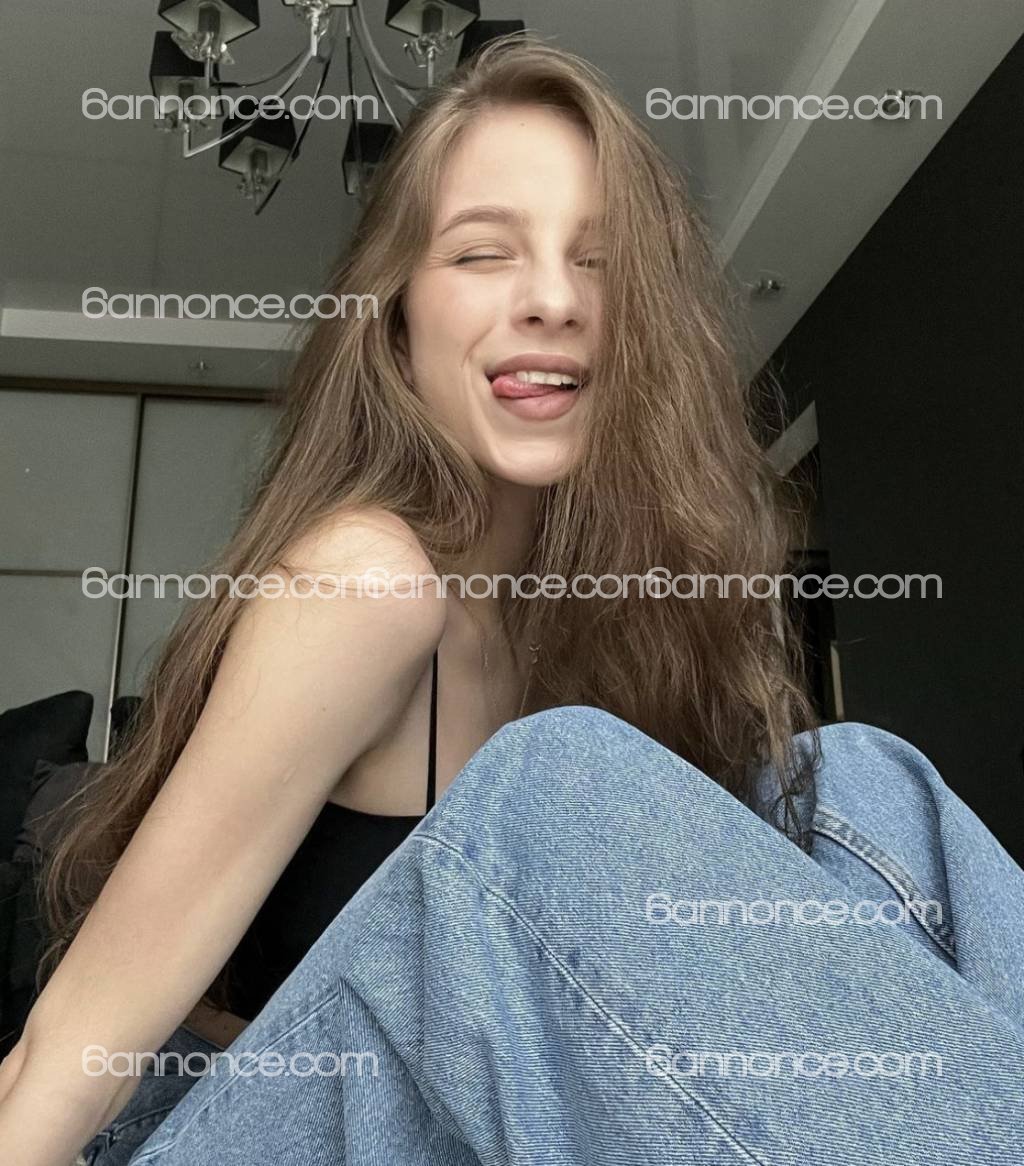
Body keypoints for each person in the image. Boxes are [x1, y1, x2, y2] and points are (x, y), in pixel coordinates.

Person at [1, 35, 1019, 1166]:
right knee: (551, 778)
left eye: (599, 261)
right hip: (212, 1127)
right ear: (396, 320)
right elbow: (65, 1056)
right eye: (484, 253)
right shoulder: (367, 577)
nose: (551, 299)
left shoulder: (587, 624)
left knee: (861, 785)